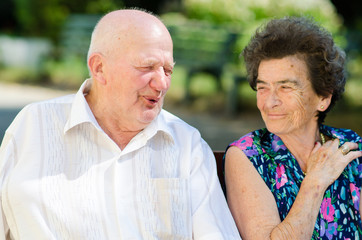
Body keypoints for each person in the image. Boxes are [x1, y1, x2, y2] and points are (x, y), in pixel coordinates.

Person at [0, 9, 241, 239]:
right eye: (147, 67)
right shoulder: (32, 126)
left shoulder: (187, 144)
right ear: (99, 68)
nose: (162, 84)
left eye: (167, 70)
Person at [223, 16, 362, 239]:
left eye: (285, 87)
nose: (269, 102)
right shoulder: (248, 155)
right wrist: (315, 182)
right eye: (263, 88)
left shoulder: (347, 148)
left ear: (323, 98)